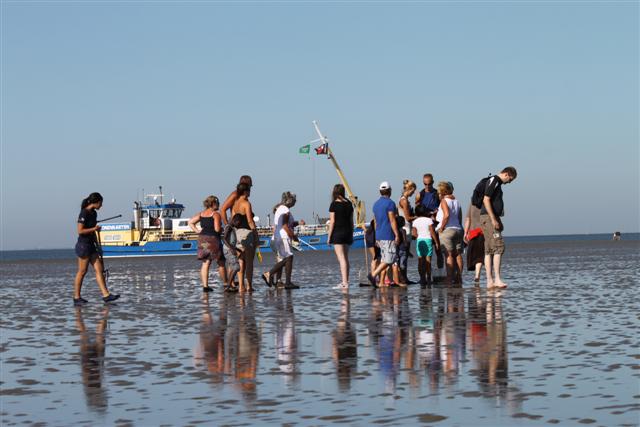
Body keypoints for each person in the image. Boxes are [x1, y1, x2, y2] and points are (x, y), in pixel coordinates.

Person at [73, 192, 120, 306]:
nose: (101, 206)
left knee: (99, 269)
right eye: (101, 203)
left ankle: (106, 295)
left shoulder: (94, 213)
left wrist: (98, 246)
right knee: (82, 271)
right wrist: (94, 228)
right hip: (83, 245)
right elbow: (80, 231)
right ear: (96, 202)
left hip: (92, 245)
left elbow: (93, 231)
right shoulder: (84, 212)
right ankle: (76, 297)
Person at [477, 167, 517, 289]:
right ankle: (496, 279)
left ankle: (490, 281)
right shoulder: (494, 181)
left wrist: (497, 219)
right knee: (498, 247)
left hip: (487, 218)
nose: (509, 182)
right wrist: (494, 219)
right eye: (510, 179)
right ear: (506, 174)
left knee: (489, 249)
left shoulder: (494, 182)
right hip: (489, 218)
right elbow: (486, 199)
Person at [189, 196, 227, 292]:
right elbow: (217, 229)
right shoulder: (215, 214)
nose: (219, 204)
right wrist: (222, 229)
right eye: (218, 203)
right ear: (213, 203)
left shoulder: (201, 214)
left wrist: (197, 231)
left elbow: (190, 222)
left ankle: (205, 286)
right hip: (212, 239)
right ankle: (226, 283)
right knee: (221, 262)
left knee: (206, 262)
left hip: (202, 239)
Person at [262, 192, 299, 289]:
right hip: (283, 236)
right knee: (289, 257)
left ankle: (286, 282)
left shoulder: (279, 209)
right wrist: (294, 236)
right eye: (294, 200)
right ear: (289, 200)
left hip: (278, 236)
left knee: (284, 259)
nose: (295, 202)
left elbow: (284, 224)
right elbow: (284, 225)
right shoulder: (285, 209)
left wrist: (297, 223)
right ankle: (269, 273)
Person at [367, 182, 400, 288]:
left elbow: (375, 221)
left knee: (384, 259)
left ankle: (381, 282)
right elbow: (392, 219)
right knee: (389, 259)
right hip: (388, 234)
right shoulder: (390, 203)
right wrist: (397, 234)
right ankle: (373, 275)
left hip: (379, 235)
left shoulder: (376, 204)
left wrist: (376, 236)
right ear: (390, 191)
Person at [435, 181, 464, 285]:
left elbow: (446, 215)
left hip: (447, 230)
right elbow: (459, 217)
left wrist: (442, 227)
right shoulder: (457, 201)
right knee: (458, 255)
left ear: (443, 191)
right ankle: (459, 277)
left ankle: (449, 278)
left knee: (448, 255)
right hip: (458, 229)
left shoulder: (444, 201)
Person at [231, 183, 258, 292]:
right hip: (247, 233)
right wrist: (256, 234)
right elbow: (250, 220)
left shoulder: (235, 204)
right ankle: (249, 286)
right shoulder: (246, 203)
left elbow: (233, 220)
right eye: (249, 190)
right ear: (246, 191)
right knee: (249, 262)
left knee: (240, 260)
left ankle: (241, 286)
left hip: (237, 234)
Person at [328, 184, 354, 290]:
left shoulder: (334, 204)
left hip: (338, 233)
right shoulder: (349, 204)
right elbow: (351, 222)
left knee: (341, 259)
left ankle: (344, 283)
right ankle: (346, 281)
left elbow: (332, 222)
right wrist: (351, 234)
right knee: (346, 258)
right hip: (347, 232)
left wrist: (329, 237)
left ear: (335, 192)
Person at [412, 204, 439, 286]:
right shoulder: (429, 220)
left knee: (420, 260)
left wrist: (419, 237)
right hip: (428, 240)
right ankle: (429, 278)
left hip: (420, 241)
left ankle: (422, 278)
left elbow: (414, 234)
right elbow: (432, 232)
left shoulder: (415, 221)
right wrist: (436, 242)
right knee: (428, 261)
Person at [398, 180, 417, 283]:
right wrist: (418, 217)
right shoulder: (404, 201)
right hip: (406, 228)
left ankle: (404, 277)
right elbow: (408, 217)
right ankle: (403, 278)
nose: (413, 193)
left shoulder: (405, 200)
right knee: (404, 254)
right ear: (409, 189)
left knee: (405, 254)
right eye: (413, 191)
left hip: (407, 228)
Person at [464, 204, 485, 285]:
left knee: (476, 255)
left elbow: (468, 219)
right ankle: (479, 275)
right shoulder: (487, 201)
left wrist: (465, 233)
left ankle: (477, 276)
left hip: (473, 232)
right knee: (482, 256)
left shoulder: (472, 204)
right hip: (484, 231)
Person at [222, 214, 244, 292]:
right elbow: (224, 239)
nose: (239, 225)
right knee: (236, 267)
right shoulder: (229, 227)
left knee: (232, 267)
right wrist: (232, 248)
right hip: (228, 250)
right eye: (239, 223)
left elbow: (230, 240)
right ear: (235, 221)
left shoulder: (230, 227)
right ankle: (228, 286)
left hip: (229, 249)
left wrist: (237, 249)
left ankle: (229, 285)